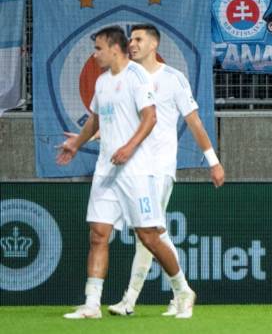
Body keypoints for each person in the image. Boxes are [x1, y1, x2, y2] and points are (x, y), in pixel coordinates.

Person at [57, 26, 195, 319]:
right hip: (106, 170)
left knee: (149, 236)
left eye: (98, 49)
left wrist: (129, 148)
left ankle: (183, 290)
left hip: (136, 171)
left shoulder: (137, 76)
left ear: (114, 49)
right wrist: (76, 144)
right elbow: (95, 121)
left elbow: (150, 118)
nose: (94, 55)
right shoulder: (102, 82)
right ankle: (92, 304)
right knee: (98, 234)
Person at [98, 24, 224, 317]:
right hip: (133, 169)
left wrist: (213, 161)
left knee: (150, 232)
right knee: (148, 235)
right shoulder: (126, 79)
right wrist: (83, 139)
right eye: (130, 39)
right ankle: (165, 296)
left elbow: (194, 122)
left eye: (138, 39)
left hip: (159, 167)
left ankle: (159, 295)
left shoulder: (173, 79)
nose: (132, 44)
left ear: (154, 44)